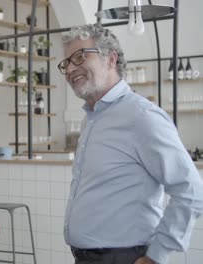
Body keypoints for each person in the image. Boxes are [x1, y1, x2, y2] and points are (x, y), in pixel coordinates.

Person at [59, 24, 203, 264]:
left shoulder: (141, 116)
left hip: (123, 257)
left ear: (110, 59)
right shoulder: (91, 119)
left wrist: (156, 255)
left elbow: (190, 190)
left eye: (80, 57)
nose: (71, 68)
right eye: (66, 63)